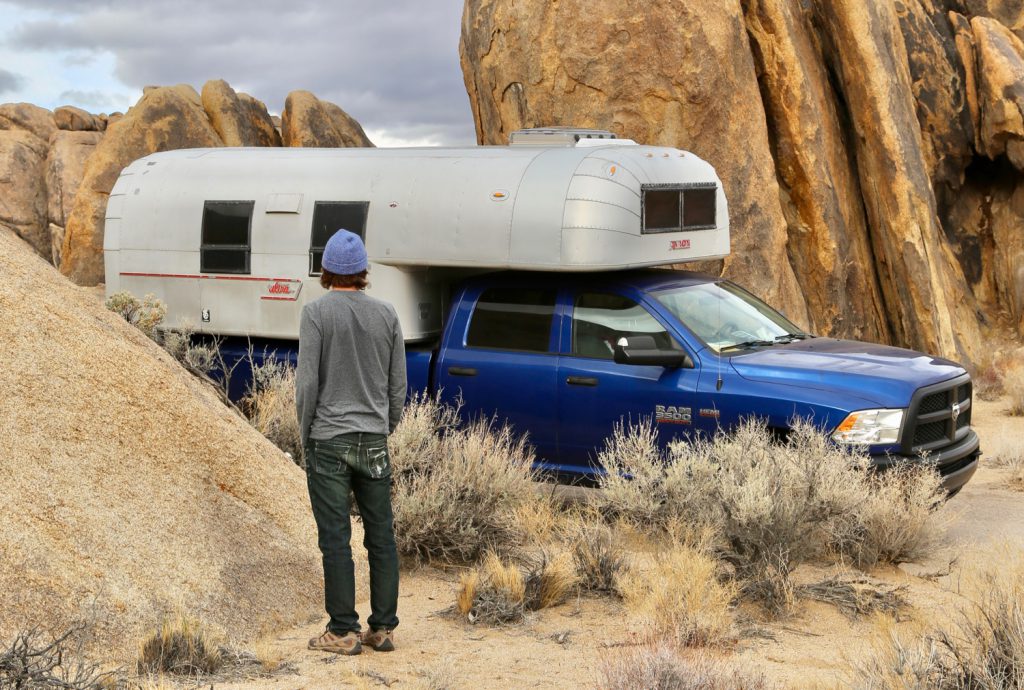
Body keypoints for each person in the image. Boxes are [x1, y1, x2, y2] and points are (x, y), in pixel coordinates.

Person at [296, 229, 406, 656]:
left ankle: (343, 630)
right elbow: (398, 386)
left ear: (326, 271)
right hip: (373, 438)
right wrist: (384, 426)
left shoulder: (316, 314)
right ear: (363, 271)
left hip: (328, 439)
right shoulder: (387, 314)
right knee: (381, 536)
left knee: (335, 540)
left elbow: (308, 384)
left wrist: (306, 433)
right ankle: (382, 629)